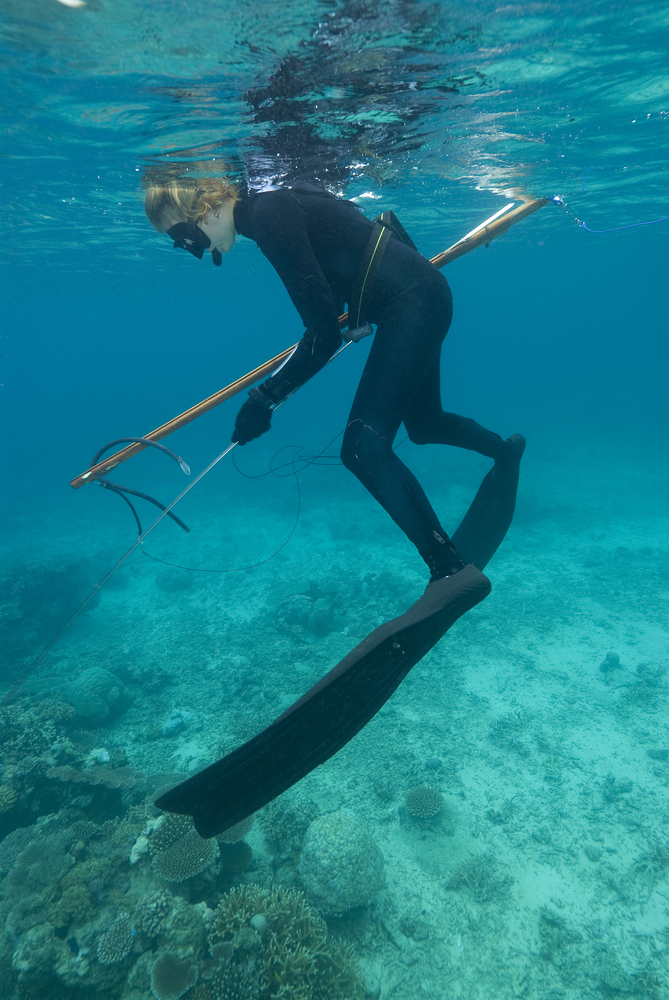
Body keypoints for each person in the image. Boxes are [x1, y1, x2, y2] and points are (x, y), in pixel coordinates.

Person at [144, 177, 524, 585]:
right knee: (425, 424)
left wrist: (264, 400)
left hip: (412, 305)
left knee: (362, 449)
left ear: (203, 209)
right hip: (422, 298)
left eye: (182, 238)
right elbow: (338, 260)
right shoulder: (268, 211)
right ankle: (505, 453)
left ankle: (449, 570)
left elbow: (323, 336)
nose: (194, 251)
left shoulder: (269, 217)